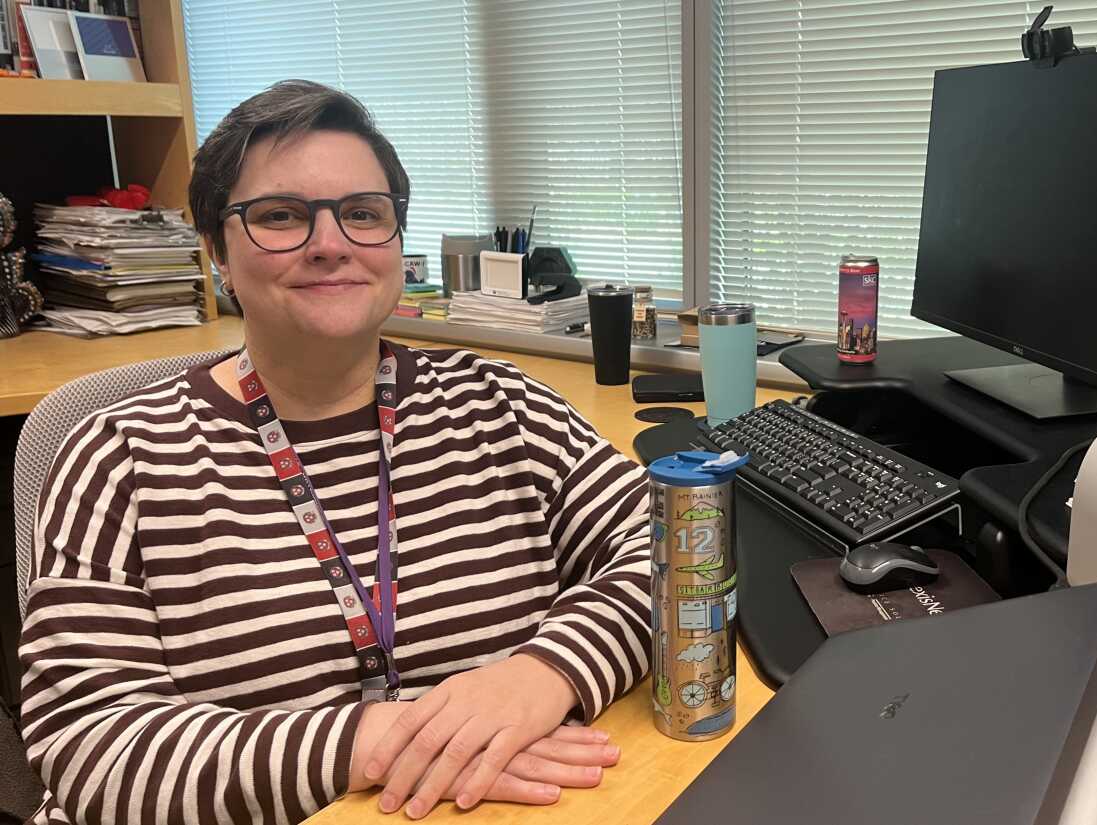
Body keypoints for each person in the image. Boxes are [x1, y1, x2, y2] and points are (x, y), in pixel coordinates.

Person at [18, 80, 651, 824]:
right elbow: (89, 743)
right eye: (280, 215)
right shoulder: (120, 456)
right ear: (218, 249)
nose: (331, 244)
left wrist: (546, 671)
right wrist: (373, 741)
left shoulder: (502, 407)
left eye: (362, 214)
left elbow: (679, 545)